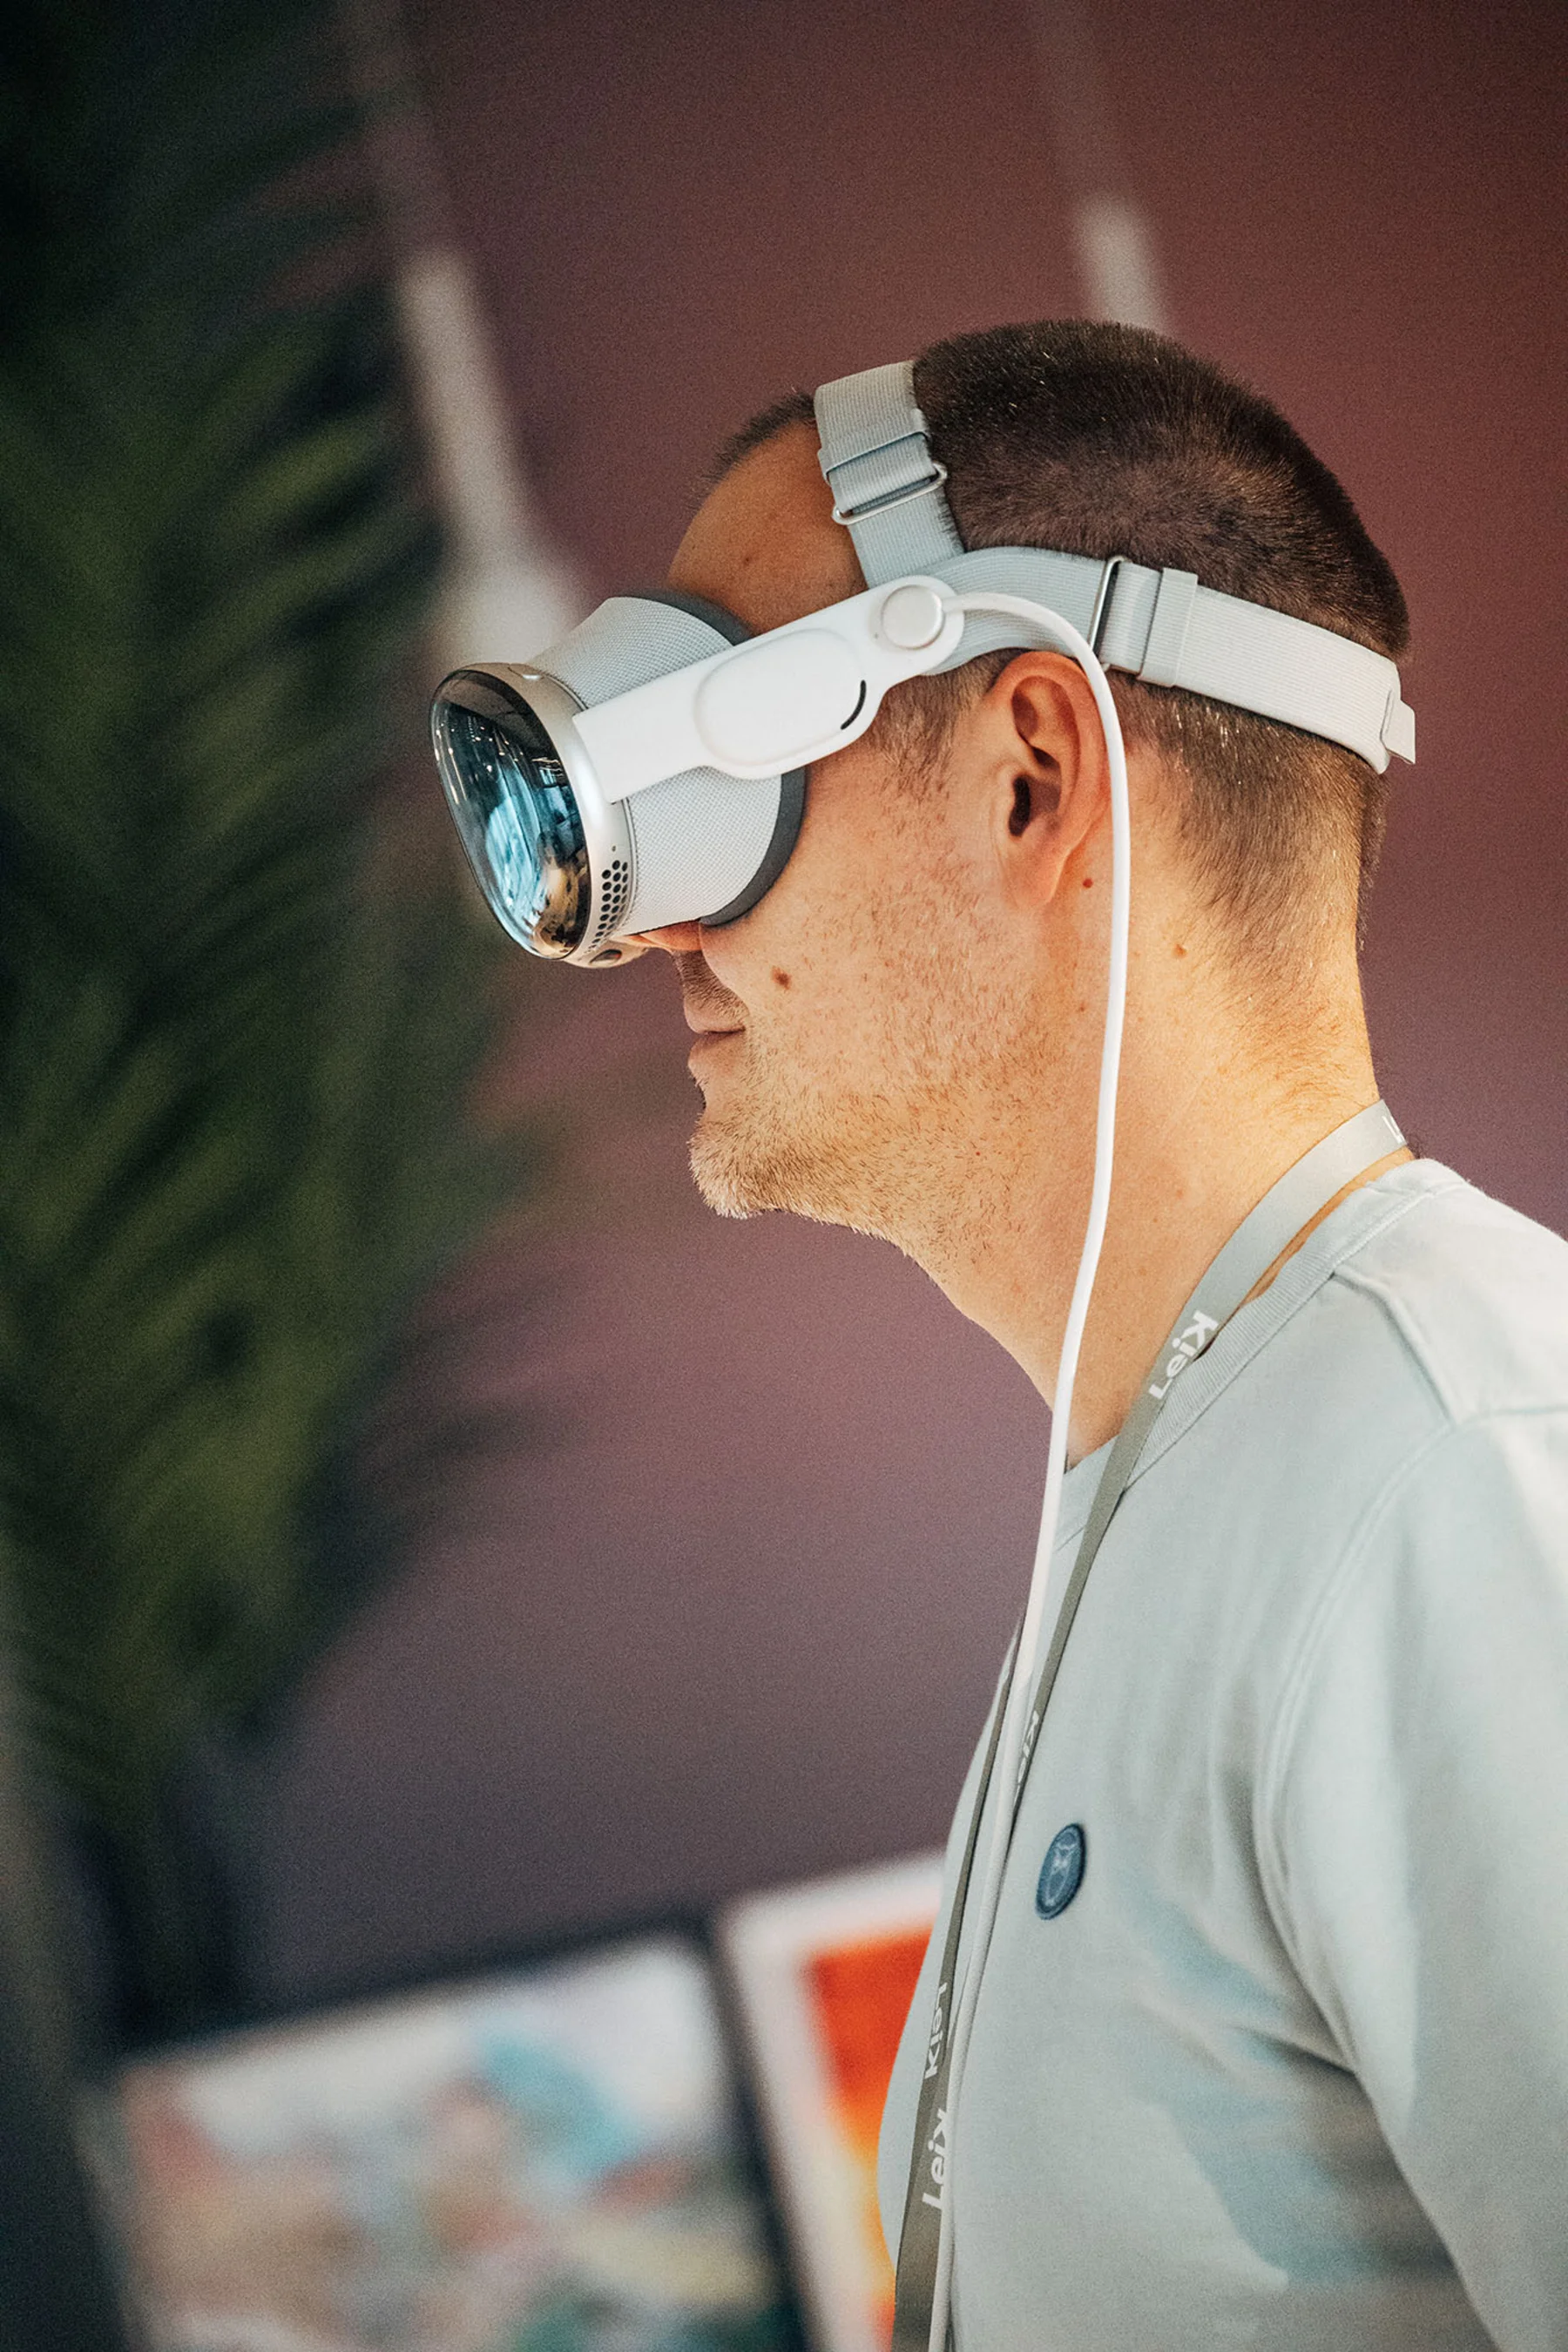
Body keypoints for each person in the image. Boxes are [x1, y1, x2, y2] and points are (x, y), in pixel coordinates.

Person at [630, 322, 1568, 2349]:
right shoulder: (1181, 1494)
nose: (656, 923)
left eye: (726, 771)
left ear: (1033, 780)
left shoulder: (1456, 1472)